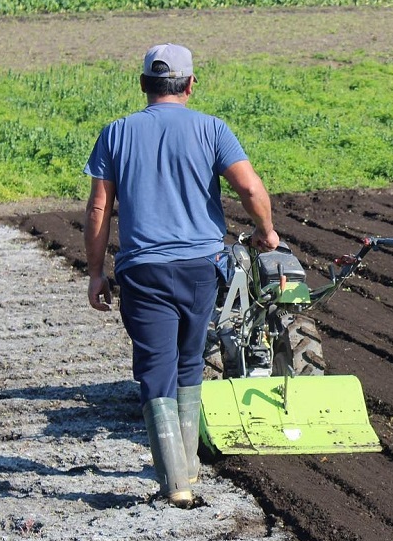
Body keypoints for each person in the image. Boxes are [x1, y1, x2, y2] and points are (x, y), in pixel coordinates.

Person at [83, 43, 280, 508]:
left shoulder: (116, 133)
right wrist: (266, 231)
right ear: (191, 84)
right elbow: (249, 187)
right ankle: (188, 466)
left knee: (156, 369)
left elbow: (98, 207)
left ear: (143, 85)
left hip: (143, 269)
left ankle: (176, 484)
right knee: (190, 360)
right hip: (200, 267)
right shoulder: (212, 129)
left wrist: (95, 272)